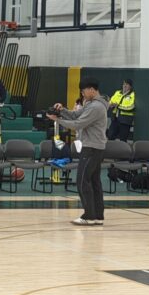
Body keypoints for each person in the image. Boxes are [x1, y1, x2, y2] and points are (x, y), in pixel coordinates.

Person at [49, 77, 108, 226]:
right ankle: (97, 216)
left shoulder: (96, 107)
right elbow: (76, 115)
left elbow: (78, 124)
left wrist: (57, 120)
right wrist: (62, 110)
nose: (82, 95)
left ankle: (89, 215)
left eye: (83, 92)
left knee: (82, 181)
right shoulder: (91, 104)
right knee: (94, 181)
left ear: (92, 90)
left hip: (92, 148)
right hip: (95, 147)